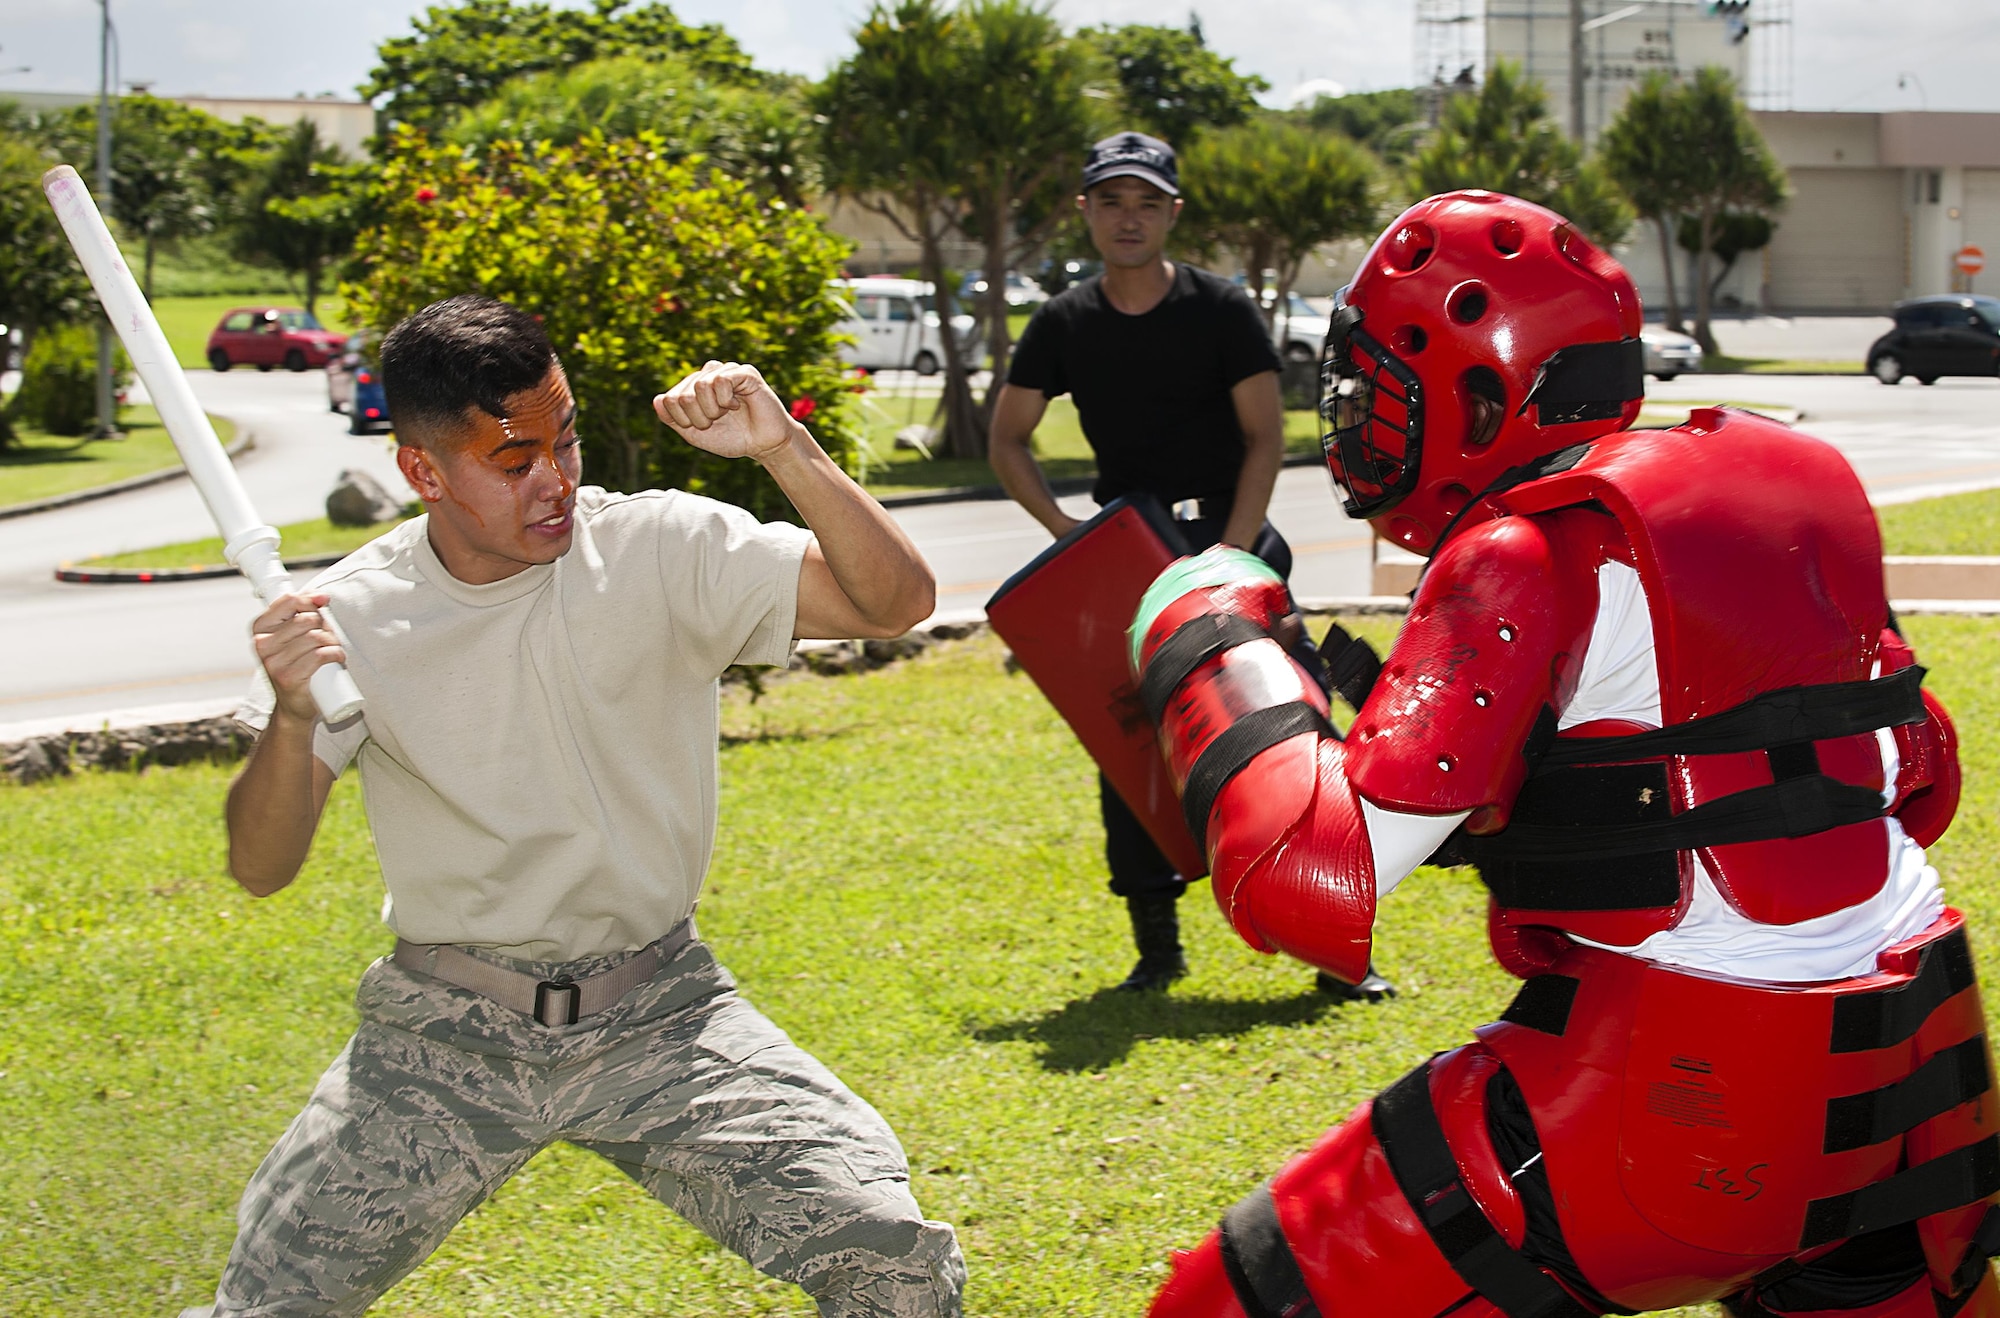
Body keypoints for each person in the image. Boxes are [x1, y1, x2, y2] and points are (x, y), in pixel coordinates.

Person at [1132, 191, 1998, 1318]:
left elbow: (1300, 878)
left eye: (1376, 389)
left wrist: (1209, 638)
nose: (1353, 420)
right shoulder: (1784, 486)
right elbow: (1919, 775)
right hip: (1920, 1068)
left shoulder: (1523, 548)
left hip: (1686, 1098)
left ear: (1476, 387)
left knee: (1221, 1305)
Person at [186, 295, 964, 1318]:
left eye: (567, 440)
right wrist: (292, 716)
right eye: (515, 462)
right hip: (443, 1035)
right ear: (423, 472)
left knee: (896, 1262)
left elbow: (894, 601)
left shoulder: (660, 550)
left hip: (664, 1011)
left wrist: (785, 448)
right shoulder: (356, 619)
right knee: (263, 1308)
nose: (556, 479)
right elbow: (259, 863)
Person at [990, 130, 1389, 1001]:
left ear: (1172, 212)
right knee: (1131, 750)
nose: (1127, 219)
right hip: (1130, 559)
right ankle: (1156, 952)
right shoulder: (1063, 322)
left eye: (1145, 202)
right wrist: (1063, 528)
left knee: (1290, 732)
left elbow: (1263, 438)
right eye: (1110, 201)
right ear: (1086, 212)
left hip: (1233, 539)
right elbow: (1007, 438)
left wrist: (1234, 555)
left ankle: (1335, 953)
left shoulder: (1221, 308)